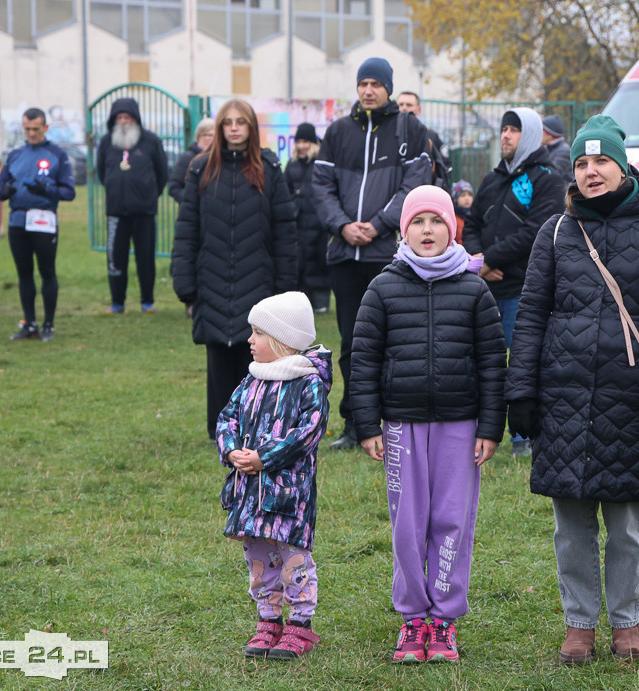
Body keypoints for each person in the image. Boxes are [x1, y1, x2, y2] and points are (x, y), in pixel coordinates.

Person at [506, 114, 639, 666]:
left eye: (601, 162)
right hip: (563, 397)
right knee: (571, 522)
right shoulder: (555, 232)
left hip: (629, 398)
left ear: (623, 168)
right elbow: (530, 316)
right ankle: (579, 625)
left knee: (625, 522)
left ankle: (625, 625)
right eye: (581, 163)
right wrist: (520, 389)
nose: (591, 172)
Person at [351, 185, 506, 663]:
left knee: (452, 521)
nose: (427, 230)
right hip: (402, 426)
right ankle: (413, 619)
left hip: (460, 426)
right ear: (404, 229)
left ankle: (443, 621)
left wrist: (490, 426)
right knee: (408, 524)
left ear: (451, 227)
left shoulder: (474, 288)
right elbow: (362, 361)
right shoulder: (383, 287)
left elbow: (492, 363)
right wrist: (367, 424)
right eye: (417, 221)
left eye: (436, 221)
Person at [312, 56, 432, 451]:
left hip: (390, 257)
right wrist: (343, 226)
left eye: (375, 84)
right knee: (352, 343)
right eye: (362, 83)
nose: (368, 90)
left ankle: (396, 421)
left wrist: (379, 225)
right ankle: (354, 423)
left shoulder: (410, 129)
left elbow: (415, 185)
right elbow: (322, 186)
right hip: (345, 258)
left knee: (395, 343)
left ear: (388, 88)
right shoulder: (338, 131)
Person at [172, 98, 298, 439]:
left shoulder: (269, 169)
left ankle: (257, 425)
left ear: (251, 127)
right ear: (219, 128)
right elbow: (187, 229)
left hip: (258, 278)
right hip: (211, 278)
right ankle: (220, 429)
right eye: (227, 122)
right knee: (219, 354)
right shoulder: (200, 169)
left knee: (256, 355)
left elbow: (285, 229)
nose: (234, 128)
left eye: (241, 122)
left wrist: (285, 285)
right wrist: (184, 281)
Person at [216, 291, 331, 661]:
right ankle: (269, 618)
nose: (250, 340)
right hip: (249, 494)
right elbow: (226, 418)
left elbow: (308, 431)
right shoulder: (251, 381)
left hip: (288, 495)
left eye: (258, 333)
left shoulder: (307, 382)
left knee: (293, 559)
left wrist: (266, 457)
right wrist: (232, 449)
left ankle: (300, 623)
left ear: (283, 341)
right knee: (260, 559)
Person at [462, 107, 566, 456]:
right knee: (487, 363)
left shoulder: (547, 177)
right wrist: (478, 263)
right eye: (504, 129)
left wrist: (489, 260)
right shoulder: (492, 180)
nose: (506, 135)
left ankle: (523, 436)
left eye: (514, 130)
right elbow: (471, 224)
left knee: (523, 362)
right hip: (484, 289)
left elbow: (536, 230)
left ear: (532, 135)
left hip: (524, 289)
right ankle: (484, 430)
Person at [0, 107, 76, 342]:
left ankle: (48, 324)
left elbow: (69, 192)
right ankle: (29, 323)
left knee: (47, 272)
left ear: (45, 128)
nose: (31, 133)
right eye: (27, 129)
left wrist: (46, 189)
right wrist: (5, 190)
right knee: (24, 273)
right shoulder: (16, 155)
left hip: (43, 220)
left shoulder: (57, 155)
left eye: (35, 129)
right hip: (18, 221)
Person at [96, 97, 168, 314]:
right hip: (116, 211)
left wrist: (147, 194)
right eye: (119, 117)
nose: (123, 121)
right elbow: (102, 172)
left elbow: (162, 173)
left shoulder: (150, 141)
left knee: (145, 257)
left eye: (127, 117)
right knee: (116, 258)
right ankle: (117, 302)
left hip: (144, 211)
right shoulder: (107, 142)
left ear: (135, 119)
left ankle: (147, 301)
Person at [285, 122, 330, 313]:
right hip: (297, 221)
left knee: (318, 261)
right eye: (299, 141)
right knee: (300, 263)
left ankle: (320, 301)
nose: (302, 146)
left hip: (318, 223)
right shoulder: (292, 165)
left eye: (306, 141)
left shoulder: (321, 164)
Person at [397, 91, 452, 191]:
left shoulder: (430, 136)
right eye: (400, 104)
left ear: (419, 109)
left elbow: (445, 167)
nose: (404, 108)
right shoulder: (389, 135)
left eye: (409, 105)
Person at [168, 118, 215, 203]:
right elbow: (174, 187)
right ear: (197, 137)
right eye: (204, 135)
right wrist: (189, 200)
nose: (207, 138)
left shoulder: (219, 158)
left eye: (211, 135)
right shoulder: (187, 158)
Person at [542, 115, 574, 183]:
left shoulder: (564, 151)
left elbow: (551, 174)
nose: (538, 135)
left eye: (541, 131)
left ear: (549, 135)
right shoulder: (548, 149)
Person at [450, 180, 473, 244]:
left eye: (470, 195)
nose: (467, 198)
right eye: (463, 195)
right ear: (455, 199)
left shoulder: (475, 216)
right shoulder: (453, 219)